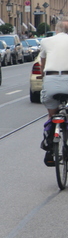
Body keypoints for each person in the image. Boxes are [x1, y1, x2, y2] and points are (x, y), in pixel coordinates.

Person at [39, 19, 68, 166]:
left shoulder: (46, 41)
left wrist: (44, 75)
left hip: (51, 80)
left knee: (52, 114)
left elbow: (42, 63)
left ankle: (50, 147)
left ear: (56, 30)